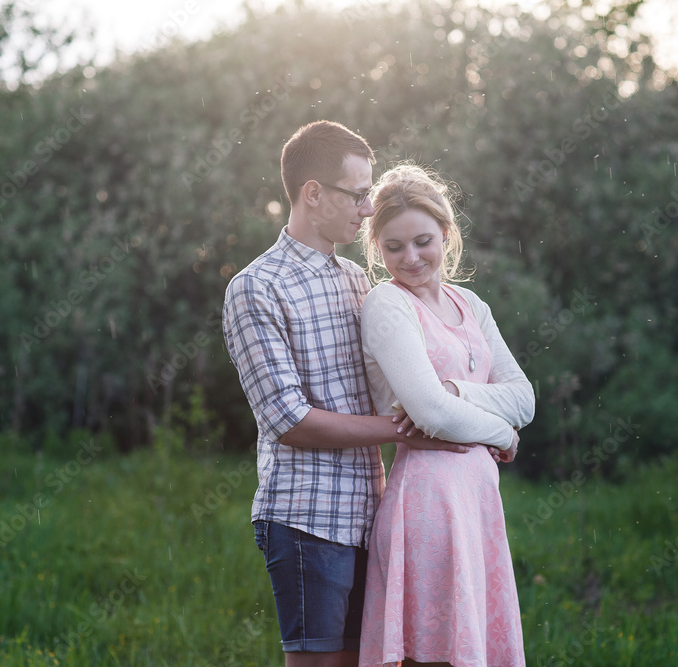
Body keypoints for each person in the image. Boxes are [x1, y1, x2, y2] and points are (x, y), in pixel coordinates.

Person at [222, 122, 474, 667]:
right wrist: (417, 431)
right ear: (313, 193)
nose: (367, 209)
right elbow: (291, 422)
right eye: (358, 194)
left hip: (374, 513)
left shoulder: (358, 280)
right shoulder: (256, 287)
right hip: (307, 516)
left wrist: (476, 419)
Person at [356, 164, 535, 667]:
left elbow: (524, 398)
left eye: (423, 241)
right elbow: (429, 412)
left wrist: (456, 391)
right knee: (432, 657)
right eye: (394, 247)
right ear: (376, 248)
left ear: (447, 234)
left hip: (477, 502)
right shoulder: (387, 303)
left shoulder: (470, 304)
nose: (411, 258)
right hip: (427, 503)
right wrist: (501, 433)